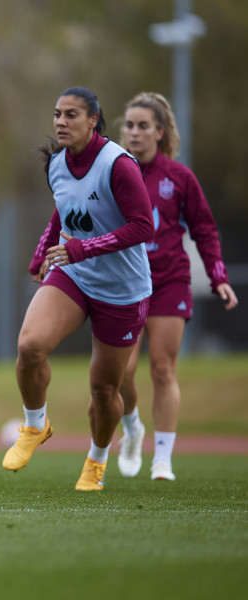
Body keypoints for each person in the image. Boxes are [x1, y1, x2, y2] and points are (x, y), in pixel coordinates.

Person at [2, 86, 154, 491]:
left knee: (105, 391)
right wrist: (41, 253)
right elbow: (63, 212)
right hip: (75, 275)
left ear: (93, 121)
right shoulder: (56, 163)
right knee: (30, 346)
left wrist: (82, 247)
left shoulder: (118, 164)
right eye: (57, 114)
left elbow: (143, 226)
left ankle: (97, 460)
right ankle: (36, 426)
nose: (61, 122)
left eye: (71, 115)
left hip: (122, 290)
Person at [116, 92, 239, 481]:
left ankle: (163, 459)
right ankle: (133, 427)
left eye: (143, 126)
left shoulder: (179, 177)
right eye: (129, 125)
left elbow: (204, 229)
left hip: (169, 281)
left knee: (163, 369)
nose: (134, 133)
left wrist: (218, 276)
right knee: (120, 372)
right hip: (125, 284)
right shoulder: (114, 172)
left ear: (160, 132)